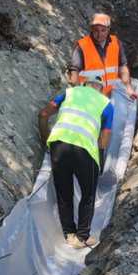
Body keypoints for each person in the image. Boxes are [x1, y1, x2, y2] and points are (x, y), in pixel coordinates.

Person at [38, 71, 114, 249]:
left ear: (84, 84)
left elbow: (43, 114)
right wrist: (100, 160)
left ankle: (69, 234)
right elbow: (105, 138)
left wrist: (45, 140)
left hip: (59, 145)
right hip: (85, 150)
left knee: (64, 192)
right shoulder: (106, 104)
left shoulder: (68, 93)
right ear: (101, 89)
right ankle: (82, 237)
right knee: (88, 194)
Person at [71, 13, 137, 101]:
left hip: (111, 96)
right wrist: (78, 92)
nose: (99, 34)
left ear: (108, 29)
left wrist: (128, 87)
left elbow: (122, 67)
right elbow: (74, 71)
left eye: (103, 30)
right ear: (91, 29)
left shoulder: (116, 43)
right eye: (96, 30)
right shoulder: (82, 46)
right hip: (89, 98)